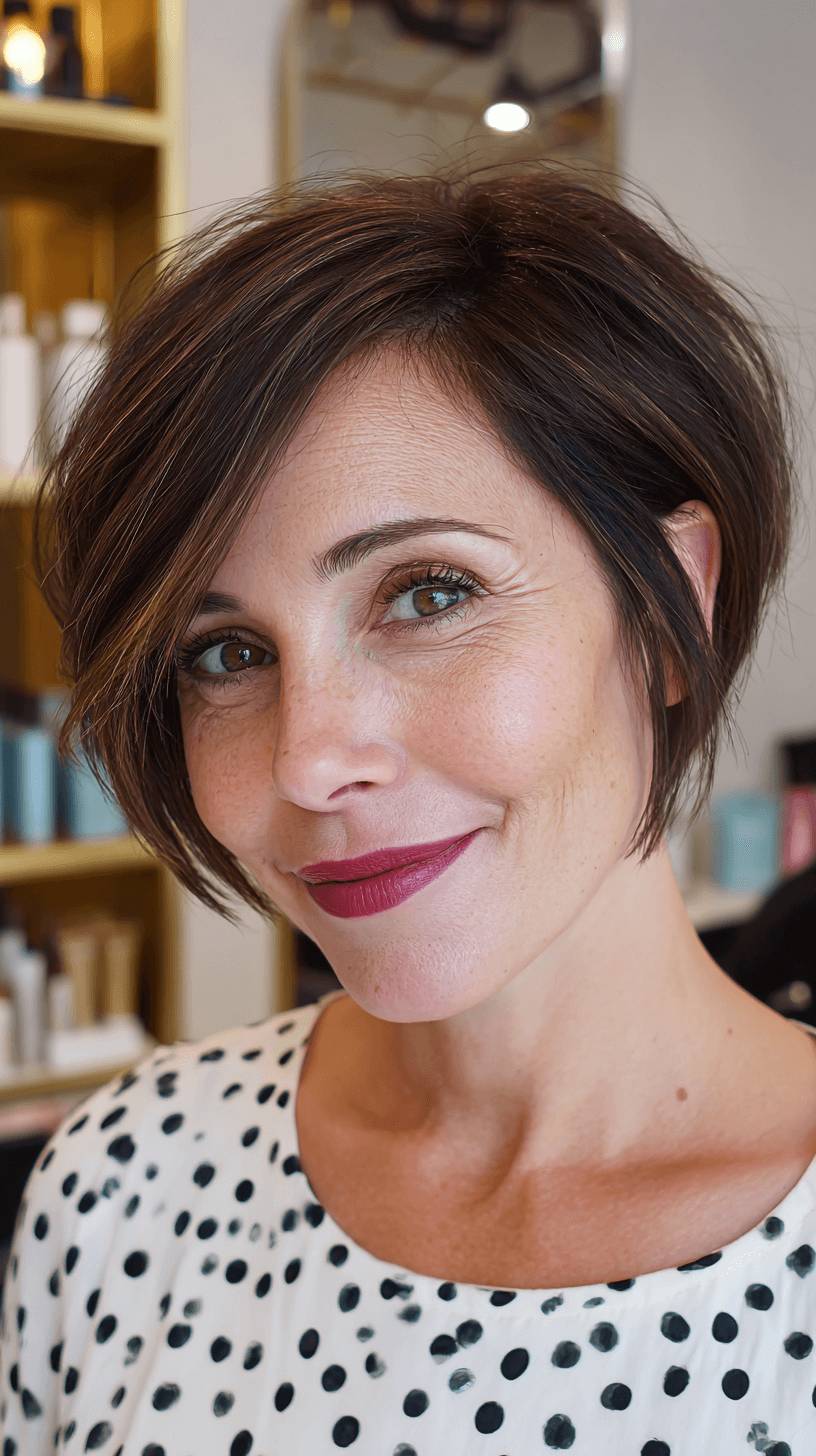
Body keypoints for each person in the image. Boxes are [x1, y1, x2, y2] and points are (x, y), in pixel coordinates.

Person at [1, 163, 813, 1456]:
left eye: (428, 593)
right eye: (226, 654)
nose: (309, 763)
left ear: (671, 610)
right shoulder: (120, 1185)